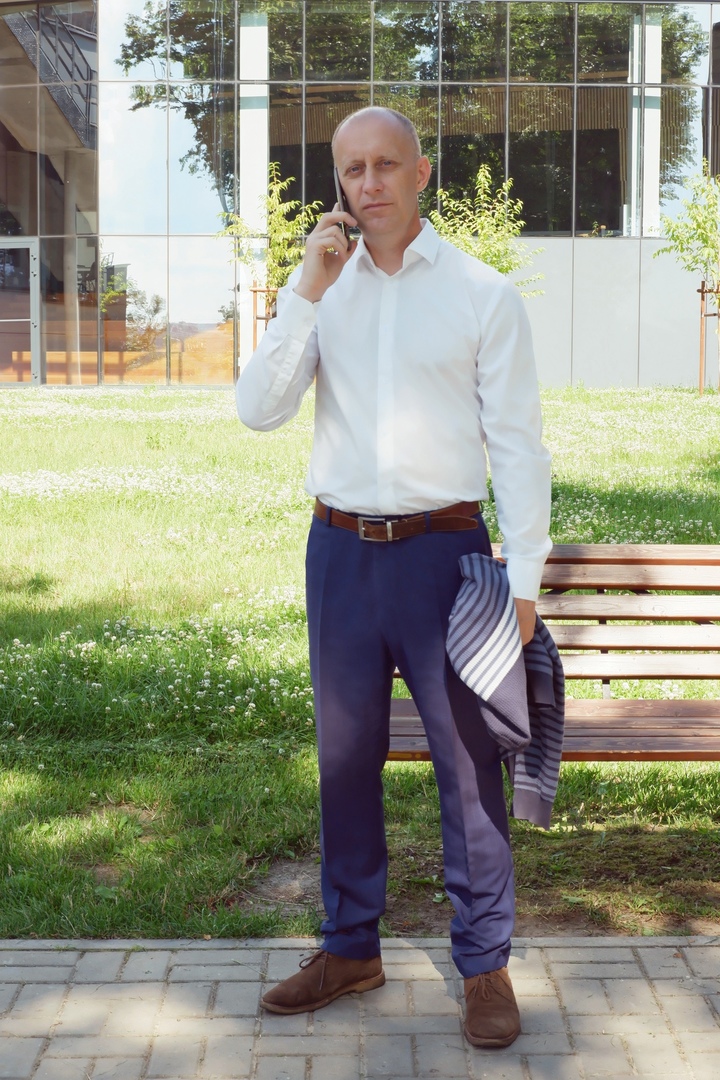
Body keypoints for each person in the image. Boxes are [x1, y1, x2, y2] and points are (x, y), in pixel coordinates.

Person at [236, 106, 552, 1049]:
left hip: (445, 559)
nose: (368, 183)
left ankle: (485, 964)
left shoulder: (483, 293)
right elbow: (258, 410)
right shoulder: (321, 290)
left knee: (469, 767)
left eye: (385, 165)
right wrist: (305, 286)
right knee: (343, 761)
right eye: (351, 169)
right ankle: (349, 948)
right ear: (338, 181)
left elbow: (518, 445)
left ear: (421, 173)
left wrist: (525, 580)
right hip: (339, 553)